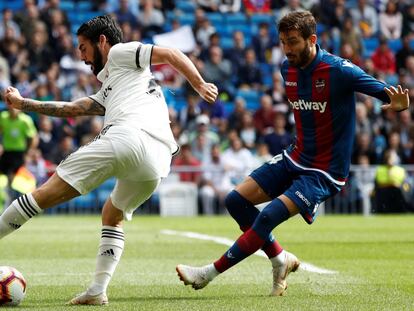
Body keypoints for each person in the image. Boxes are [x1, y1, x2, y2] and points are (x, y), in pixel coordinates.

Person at [176, 11, 409, 296]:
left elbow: (387, 93)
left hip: (324, 172)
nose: (287, 49)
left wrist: (396, 103)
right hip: (295, 157)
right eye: (283, 42)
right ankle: (280, 258)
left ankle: (207, 273)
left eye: (294, 42)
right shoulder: (287, 68)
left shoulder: (339, 70)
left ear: (312, 39)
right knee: (235, 200)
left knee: (267, 217)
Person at [1, 15, 218, 305]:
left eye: (83, 48)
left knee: (41, 196)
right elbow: (73, 108)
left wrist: (199, 84)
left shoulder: (119, 51)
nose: (81, 57)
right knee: (112, 216)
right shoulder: (118, 83)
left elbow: (169, 53)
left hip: (127, 138)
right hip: (156, 162)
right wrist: (25, 104)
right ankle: (97, 290)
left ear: (102, 41)